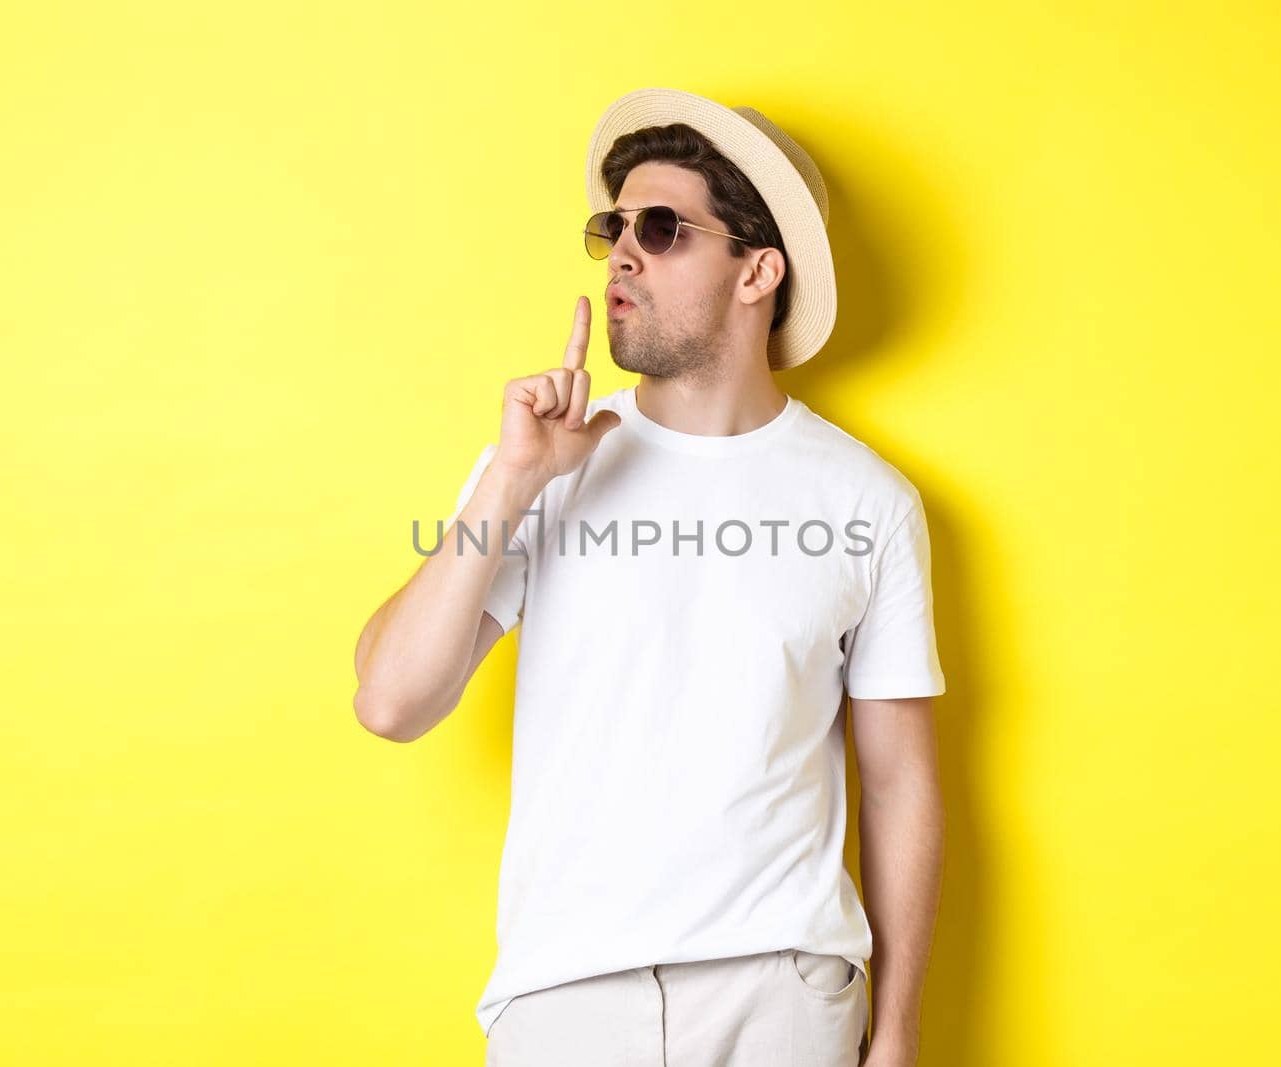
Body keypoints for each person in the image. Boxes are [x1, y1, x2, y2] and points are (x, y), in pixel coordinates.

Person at [353, 87, 947, 1067]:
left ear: (758, 270)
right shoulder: (539, 462)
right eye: (612, 227)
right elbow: (391, 701)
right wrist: (510, 478)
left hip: (784, 988)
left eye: (662, 228)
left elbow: (899, 781)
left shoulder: (865, 499)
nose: (622, 251)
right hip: (565, 993)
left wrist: (898, 1030)